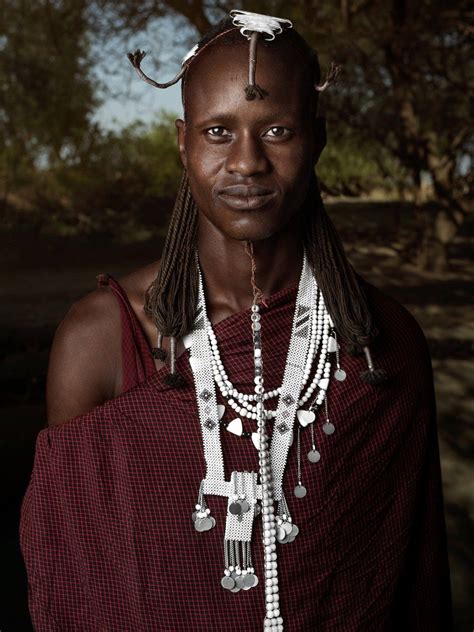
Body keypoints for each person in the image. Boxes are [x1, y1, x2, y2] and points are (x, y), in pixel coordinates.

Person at [20, 10, 452, 631]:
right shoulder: (100, 340)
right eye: (218, 132)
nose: (247, 163)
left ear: (318, 139)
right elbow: (73, 573)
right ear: (182, 141)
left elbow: (411, 583)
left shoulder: (383, 342)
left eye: (277, 130)